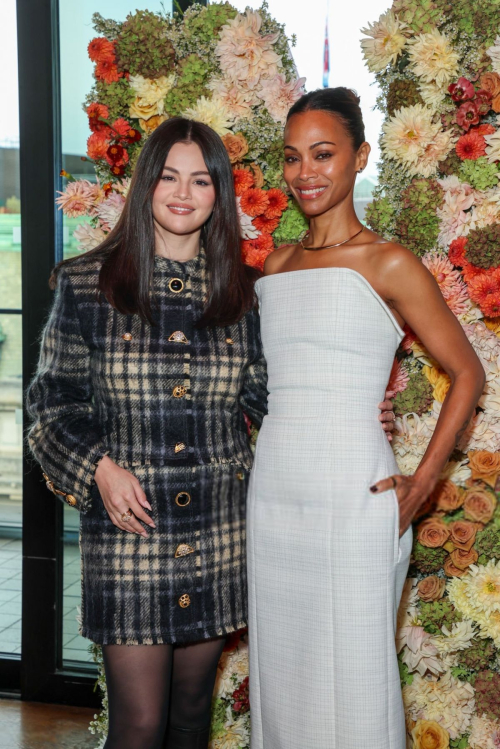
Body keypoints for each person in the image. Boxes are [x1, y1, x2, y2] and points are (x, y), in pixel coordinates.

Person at [26, 116, 395, 749]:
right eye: (168, 176)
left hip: (220, 531)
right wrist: (98, 469)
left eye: (201, 181)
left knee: (194, 714)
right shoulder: (87, 284)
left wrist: (344, 406)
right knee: (138, 725)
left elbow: (271, 392)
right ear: (146, 186)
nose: (182, 193)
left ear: (218, 195)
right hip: (128, 533)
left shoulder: (246, 294)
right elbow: (47, 404)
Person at [246, 88, 485, 749]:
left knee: (356, 678)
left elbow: (469, 373)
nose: (306, 173)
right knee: (283, 673)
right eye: (292, 158)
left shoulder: (389, 262)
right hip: (273, 498)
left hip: (357, 498)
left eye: (323, 154)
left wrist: (424, 481)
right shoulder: (276, 264)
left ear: (360, 157)